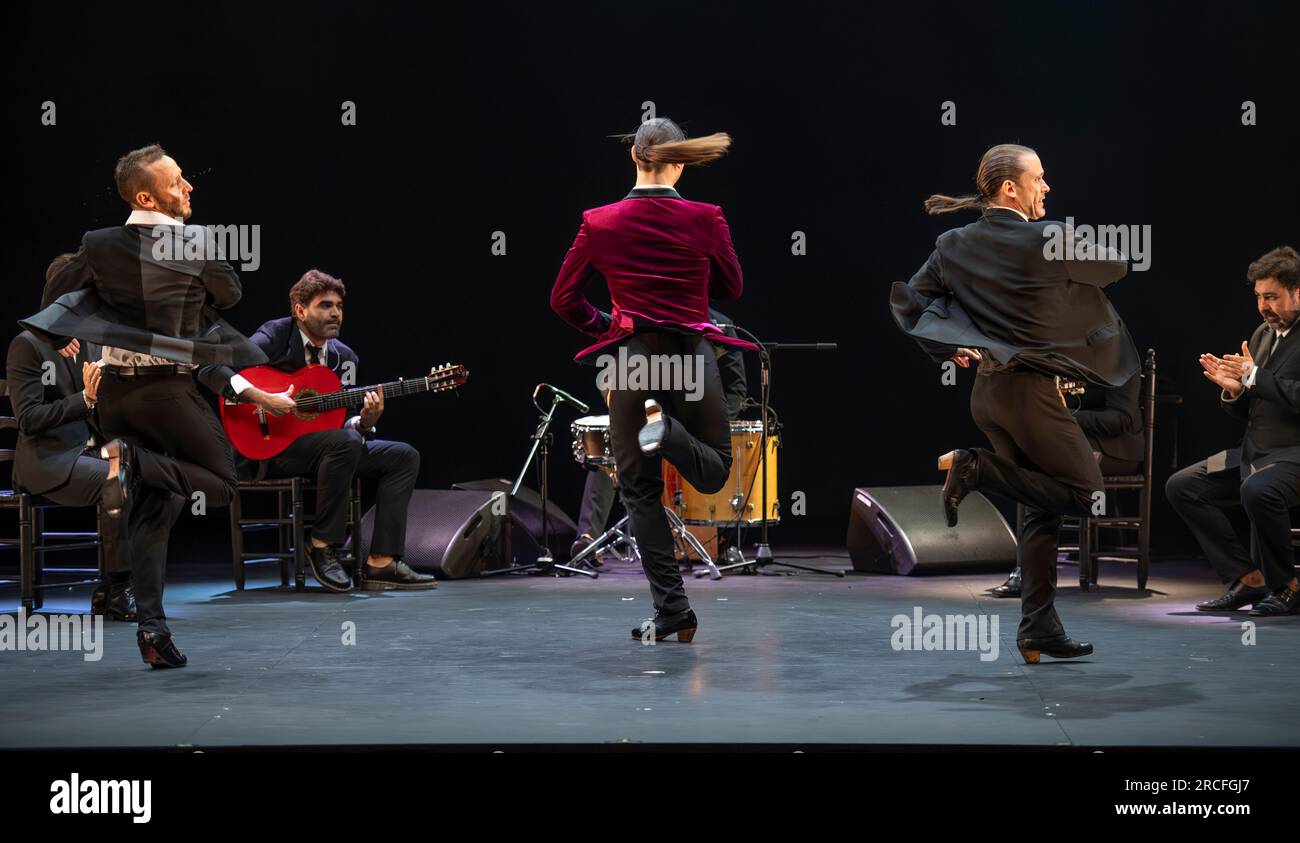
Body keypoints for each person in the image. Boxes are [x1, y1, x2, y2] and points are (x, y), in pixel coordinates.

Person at [22, 144, 268, 668]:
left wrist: (87, 316)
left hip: (115, 398)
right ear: (146, 195)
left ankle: (152, 633)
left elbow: (57, 292)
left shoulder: (98, 243)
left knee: (153, 511)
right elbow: (230, 294)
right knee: (224, 482)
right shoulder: (194, 242)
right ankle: (132, 463)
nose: (188, 187)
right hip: (165, 392)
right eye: (178, 181)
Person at [891, 143, 1139, 663]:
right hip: (1031, 394)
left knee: (1041, 513)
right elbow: (1115, 265)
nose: (1046, 187)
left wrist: (949, 340)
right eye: (1039, 178)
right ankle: (973, 468)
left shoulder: (953, 242)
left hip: (988, 393)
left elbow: (910, 301)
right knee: (1084, 493)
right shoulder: (1048, 238)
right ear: (1011, 187)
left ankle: (1038, 629)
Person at [550, 117, 756, 642]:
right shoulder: (706, 216)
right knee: (714, 472)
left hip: (632, 360)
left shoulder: (599, 221)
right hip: (690, 356)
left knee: (639, 494)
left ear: (633, 158)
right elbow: (731, 286)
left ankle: (674, 610)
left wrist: (607, 325)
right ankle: (669, 435)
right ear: (680, 163)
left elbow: (562, 300)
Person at [198, 269, 434, 592]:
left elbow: (344, 424)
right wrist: (264, 398)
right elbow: (211, 368)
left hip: (332, 452)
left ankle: (381, 560)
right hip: (272, 448)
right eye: (325, 305)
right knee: (344, 443)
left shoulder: (344, 358)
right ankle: (322, 545)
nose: (335, 312)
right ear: (300, 310)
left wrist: (364, 421)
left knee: (403, 456)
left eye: (339, 305)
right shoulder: (275, 336)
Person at [1166, 246, 1300, 616]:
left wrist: (1255, 376)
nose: (1263, 306)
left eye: (1271, 297)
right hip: (1256, 451)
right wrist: (1236, 392)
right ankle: (1247, 578)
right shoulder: (1261, 334)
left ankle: (1287, 585)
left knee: (1258, 488)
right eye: (1259, 297)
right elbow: (1255, 409)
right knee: (1183, 486)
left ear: (1298, 292)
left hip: (1293, 455)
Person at [3, 255, 136, 620]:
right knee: (118, 482)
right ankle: (122, 585)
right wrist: (84, 400)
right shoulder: (28, 344)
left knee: (163, 481)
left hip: (93, 451)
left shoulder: (93, 342)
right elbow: (29, 419)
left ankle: (112, 586)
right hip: (48, 459)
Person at [569, 307, 749, 561]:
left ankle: (718, 539)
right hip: (648, 409)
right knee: (610, 447)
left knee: (712, 460)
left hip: (693, 420)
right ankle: (588, 536)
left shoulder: (723, 324)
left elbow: (736, 390)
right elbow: (611, 373)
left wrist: (714, 423)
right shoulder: (648, 313)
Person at [991, 373, 1143, 598]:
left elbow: (1121, 420)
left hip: (1116, 451)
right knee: (1032, 457)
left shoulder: (1119, 359)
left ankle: (1029, 571)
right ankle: (1031, 569)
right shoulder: (1065, 357)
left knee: (1043, 463)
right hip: (1076, 442)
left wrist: (1063, 416)